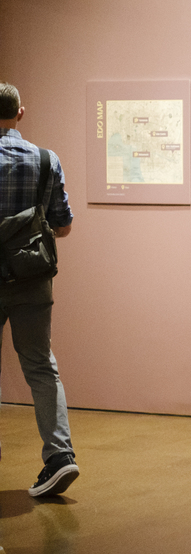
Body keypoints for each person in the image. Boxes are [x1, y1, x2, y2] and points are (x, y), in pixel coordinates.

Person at [0, 82, 80, 496]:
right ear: (21, 113)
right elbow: (62, 224)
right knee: (39, 365)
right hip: (31, 277)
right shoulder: (46, 160)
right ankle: (59, 456)